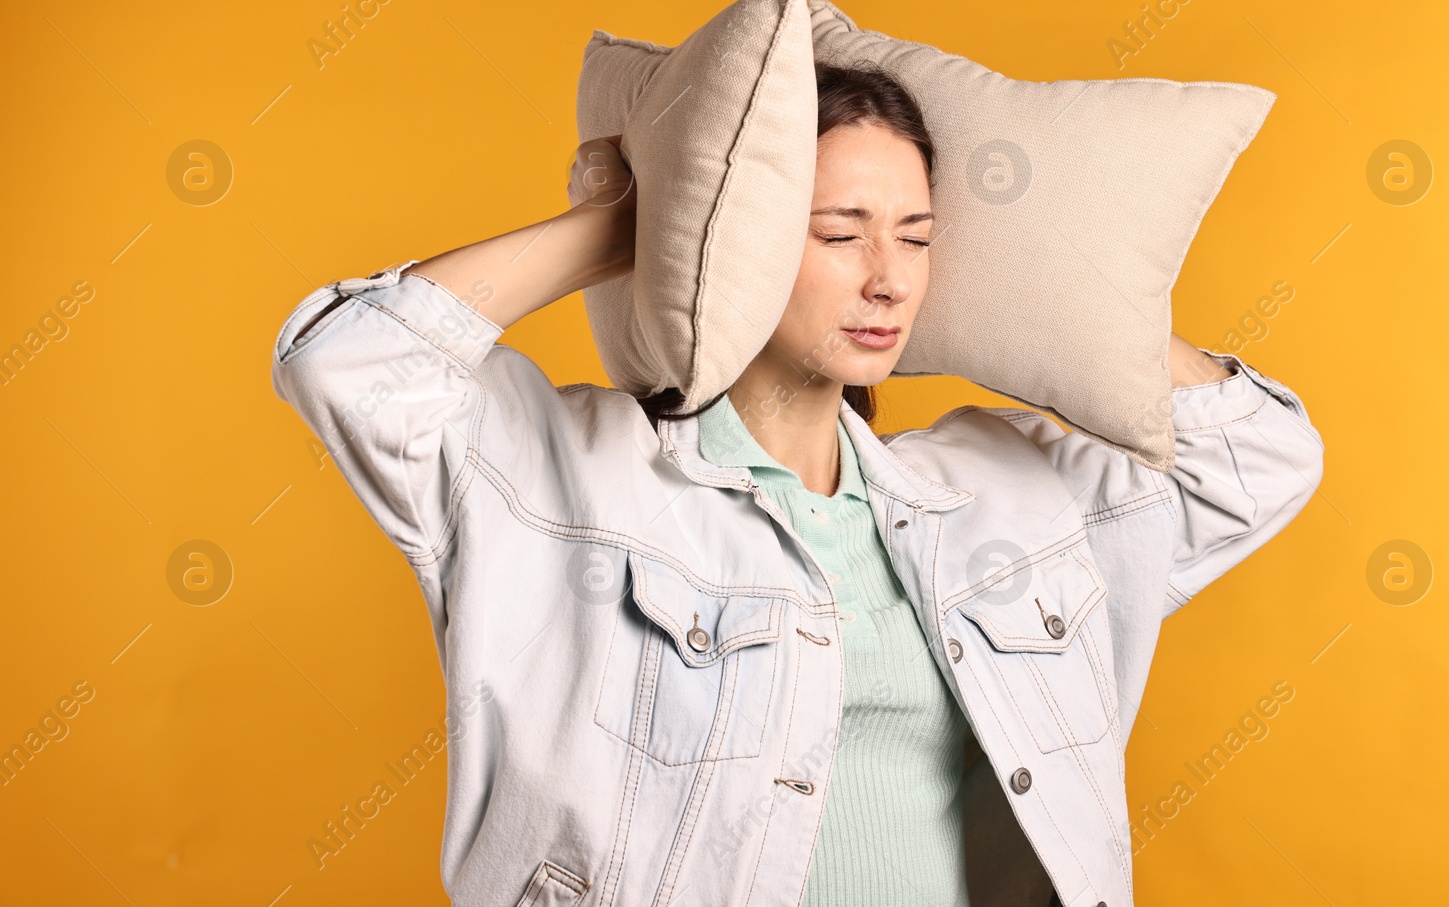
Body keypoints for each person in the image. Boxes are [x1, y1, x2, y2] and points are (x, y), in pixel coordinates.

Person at [270, 62, 1324, 907]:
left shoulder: (1006, 495)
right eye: (837, 233)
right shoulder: (573, 476)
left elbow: (1256, 456)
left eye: (915, 236)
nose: (888, 277)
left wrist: (1065, 286)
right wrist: (645, 224)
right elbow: (349, 360)